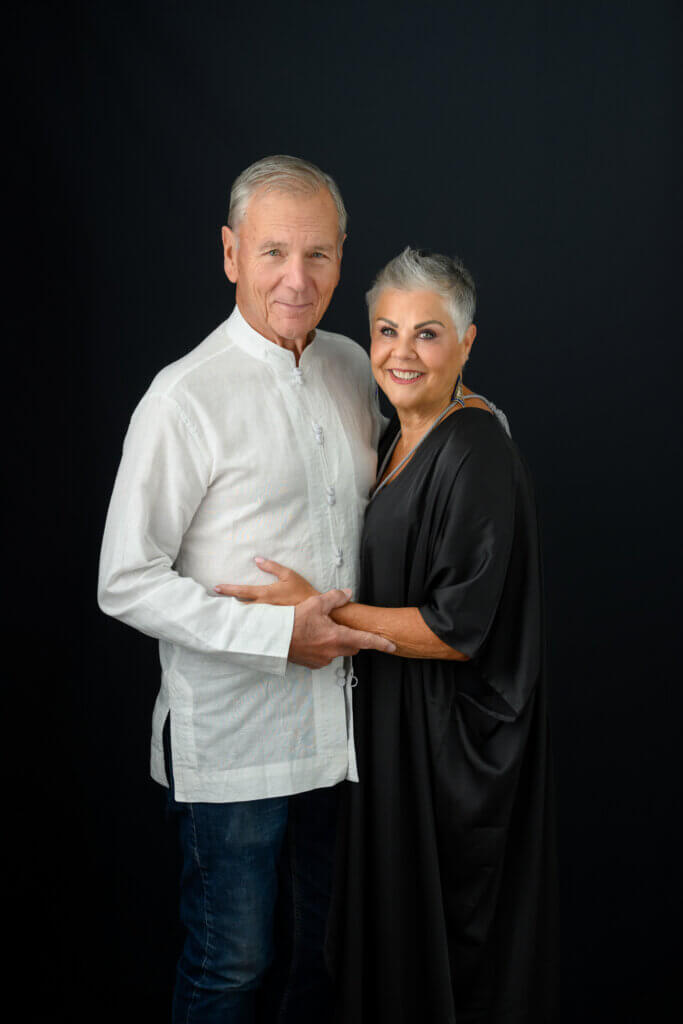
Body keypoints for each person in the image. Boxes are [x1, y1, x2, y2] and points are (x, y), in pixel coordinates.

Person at [216, 248, 560, 1022]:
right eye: (386, 330)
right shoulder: (395, 437)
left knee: (448, 954)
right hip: (401, 738)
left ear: (467, 344)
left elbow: (453, 631)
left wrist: (322, 612)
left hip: (451, 754)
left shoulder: (475, 451)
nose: (401, 352)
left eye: (428, 333)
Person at [97, 155, 396, 1024]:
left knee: (325, 957)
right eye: (271, 253)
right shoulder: (183, 397)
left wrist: (472, 418)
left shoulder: (350, 364)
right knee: (233, 966)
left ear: (342, 258)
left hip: (340, 734)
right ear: (230, 255)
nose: (295, 280)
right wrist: (278, 637)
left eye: (317, 255)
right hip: (232, 741)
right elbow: (124, 581)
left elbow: (404, 471)